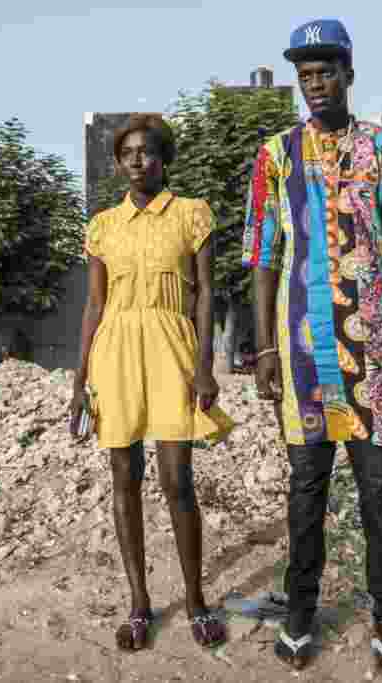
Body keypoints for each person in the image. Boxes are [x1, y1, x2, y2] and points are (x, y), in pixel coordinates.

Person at [244, 19, 382, 675]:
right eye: (305, 75)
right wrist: (263, 351)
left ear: (349, 73)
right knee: (305, 492)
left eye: (325, 71)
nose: (315, 84)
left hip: (375, 357)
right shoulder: (276, 155)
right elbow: (263, 255)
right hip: (302, 358)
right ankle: (300, 615)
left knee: (379, 492)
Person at [70, 114, 234, 652]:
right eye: (127, 153)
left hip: (172, 350)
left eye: (146, 151)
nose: (137, 160)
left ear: (163, 158)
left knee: (177, 478)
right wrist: (79, 378)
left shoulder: (192, 214)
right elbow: (94, 303)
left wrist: (205, 366)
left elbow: (207, 293)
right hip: (114, 354)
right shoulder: (102, 226)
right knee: (124, 477)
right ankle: (139, 603)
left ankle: (195, 598)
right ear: (118, 164)